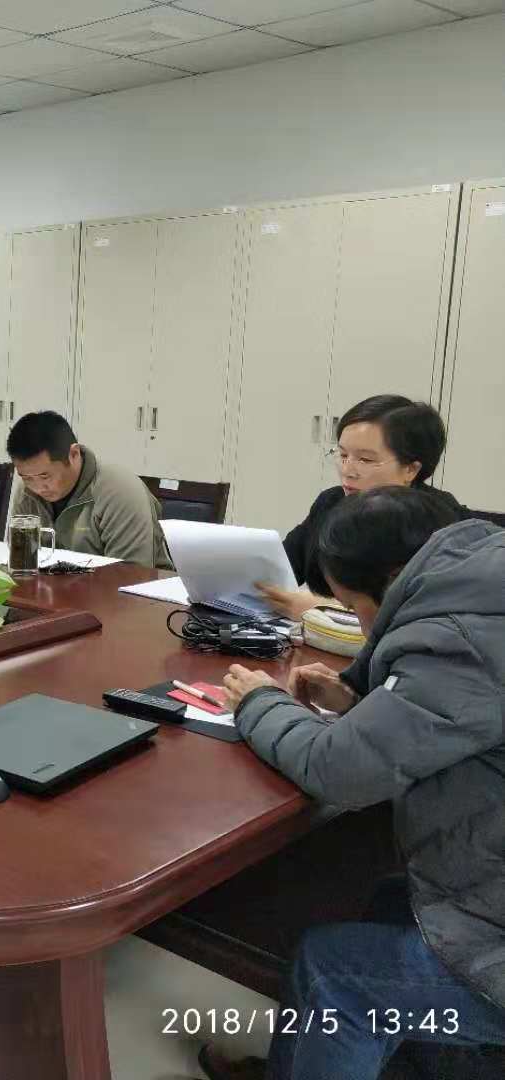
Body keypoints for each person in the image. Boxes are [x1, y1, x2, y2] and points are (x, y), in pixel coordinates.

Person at [205, 487, 505, 1080]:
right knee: (391, 901)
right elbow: (460, 720)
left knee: (335, 972)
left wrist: (259, 702)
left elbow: (337, 773)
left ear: (394, 579)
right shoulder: (482, 592)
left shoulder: (463, 646)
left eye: (352, 606)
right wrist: (364, 704)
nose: (362, 624)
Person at [262, 394, 469, 620]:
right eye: (343, 455)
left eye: (365, 460)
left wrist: (326, 607)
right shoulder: (331, 502)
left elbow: (433, 613)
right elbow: (281, 570)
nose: (347, 470)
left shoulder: (440, 521)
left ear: (411, 469)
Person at [4, 410, 170, 569]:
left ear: (74, 454)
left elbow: (132, 574)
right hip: (59, 586)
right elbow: (21, 561)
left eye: (45, 476)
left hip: (136, 587)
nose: (38, 487)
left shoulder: (120, 493)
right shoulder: (27, 492)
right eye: (26, 477)